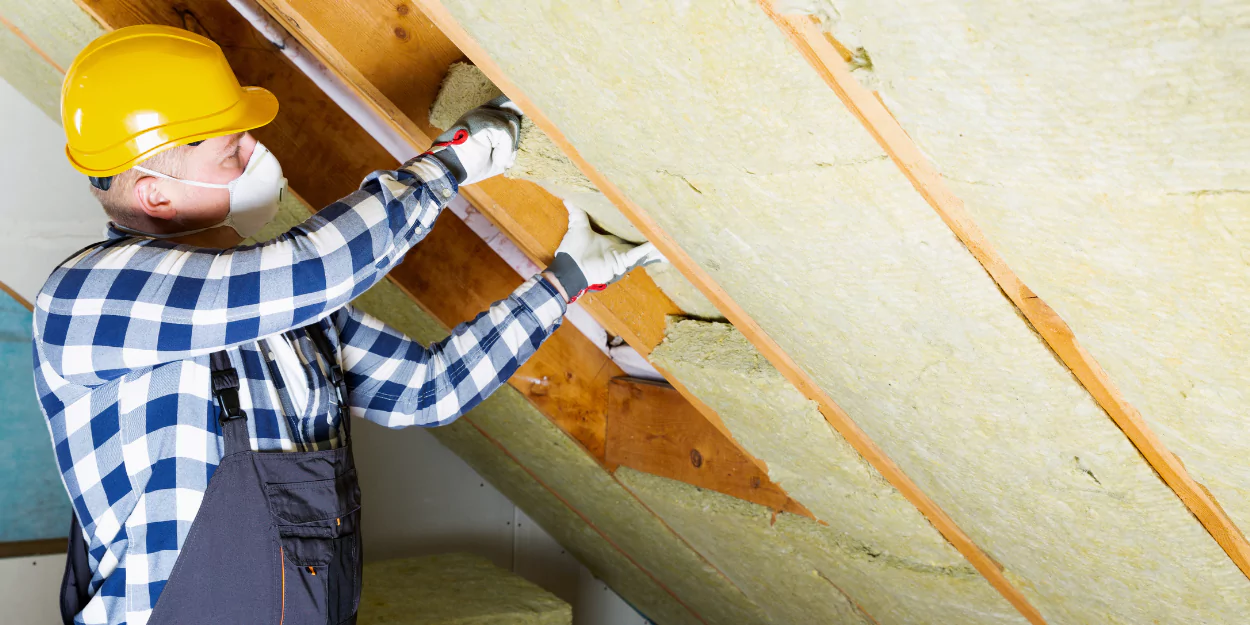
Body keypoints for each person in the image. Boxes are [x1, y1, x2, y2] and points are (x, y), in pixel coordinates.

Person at [37, 25, 660, 625]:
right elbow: (314, 269)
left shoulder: (278, 308)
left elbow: (425, 389)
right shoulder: (88, 299)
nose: (257, 154)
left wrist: (564, 284)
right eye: (233, 151)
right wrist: (450, 166)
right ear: (158, 197)